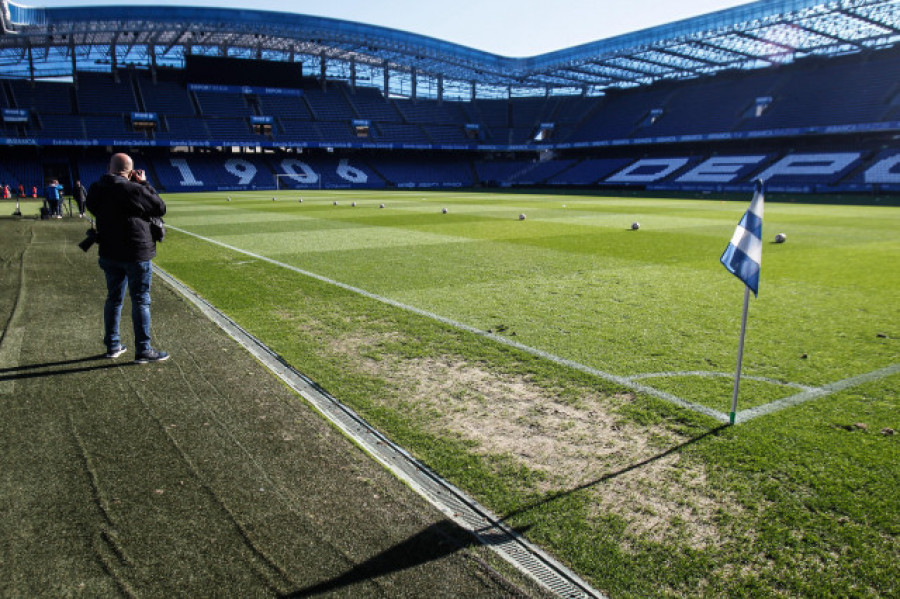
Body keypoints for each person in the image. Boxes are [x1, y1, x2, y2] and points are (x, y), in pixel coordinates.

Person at [86, 152, 169, 363]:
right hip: (135, 251)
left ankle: (113, 346)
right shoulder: (133, 189)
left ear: (109, 168)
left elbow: (92, 207)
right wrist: (144, 184)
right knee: (141, 300)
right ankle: (143, 349)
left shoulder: (97, 188)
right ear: (131, 172)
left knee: (113, 299)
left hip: (109, 251)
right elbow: (160, 207)